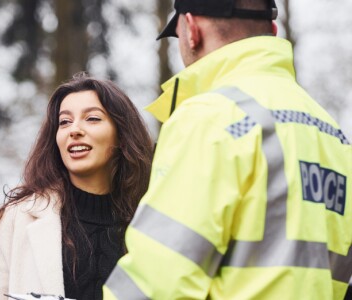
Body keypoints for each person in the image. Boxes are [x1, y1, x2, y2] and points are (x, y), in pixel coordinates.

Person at [103, 0, 352, 299]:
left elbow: (156, 285)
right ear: (271, 29)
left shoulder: (209, 117)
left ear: (192, 30)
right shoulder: (333, 135)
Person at [0, 73, 154, 300]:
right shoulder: (18, 218)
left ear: (121, 136)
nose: (74, 130)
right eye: (65, 121)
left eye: (92, 119)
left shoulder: (152, 220)